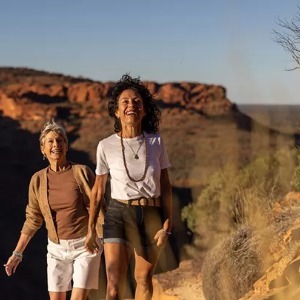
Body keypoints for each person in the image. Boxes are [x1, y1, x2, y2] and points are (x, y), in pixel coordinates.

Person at [85, 74, 172, 300]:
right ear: (116, 111)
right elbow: (98, 190)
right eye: (125, 101)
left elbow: (165, 184)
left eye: (136, 102)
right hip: (118, 214)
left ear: (143, 110)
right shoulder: (105, 146)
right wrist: (90, 228)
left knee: (143, 279)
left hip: (151, 214)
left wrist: (167, 222)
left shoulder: (156, 142)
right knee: (114, 286)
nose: (131, 105)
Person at [4, 120, 103, 300]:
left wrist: (96, 235)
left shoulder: (81, 172)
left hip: (86, 245)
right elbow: (33, 218)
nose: (56, 145)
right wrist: (17, 253)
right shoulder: (38, 180)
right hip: (56, 249)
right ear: (42, 148)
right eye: (50, 141)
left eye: (60, 140)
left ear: (66, 146)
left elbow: (97, 206)